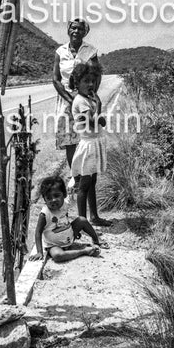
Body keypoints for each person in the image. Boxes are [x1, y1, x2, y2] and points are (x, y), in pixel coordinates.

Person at [69, 62, 112, 227]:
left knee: (92, 181)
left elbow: (100, 122)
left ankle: (93, 216)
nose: (91, 84)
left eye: (93, 81)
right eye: (86, 81)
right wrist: (99, 107)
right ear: (77, 82)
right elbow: (94, 123)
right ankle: (81, 221)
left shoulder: (88, 100)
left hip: (94, 144)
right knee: (84, 185)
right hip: (87, 146)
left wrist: (99, 115)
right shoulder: (81, 101)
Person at [53, 18, 99, 168]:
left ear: (85, 32)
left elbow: (97, 75)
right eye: (73, 28)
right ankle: (75, 176)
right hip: (66, 99)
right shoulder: (60, 52)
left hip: (85, 98)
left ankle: (86, 172)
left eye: (80, 29)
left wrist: (88, 97)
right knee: (69, 139)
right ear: (68, 30)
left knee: (85, 136)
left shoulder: (90, 51)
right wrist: (70, 99)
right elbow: (56, 79)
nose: (76, 31)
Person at [29, 175, 103, 262]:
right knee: (57, 256)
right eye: (49, 198)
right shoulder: (45, 214)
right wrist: (39, 252)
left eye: (56, 196)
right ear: (44, 199)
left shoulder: (65, 204)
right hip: (54, 244)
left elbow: (64, 218)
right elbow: (38, 232)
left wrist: (71, 231)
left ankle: (96, 241)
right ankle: (84, 251)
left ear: (64, 195)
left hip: (69, 237)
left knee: (82, 220)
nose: (53, 200)